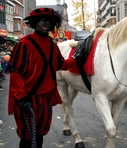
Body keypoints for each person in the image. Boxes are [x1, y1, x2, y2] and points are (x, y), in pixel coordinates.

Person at [7, 8, 76, 148]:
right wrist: (22, 98)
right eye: (42, 20)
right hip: (28, 98)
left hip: (45, 98)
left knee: (39, 134)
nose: (45, 23)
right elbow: (16, 74)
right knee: (27, 136)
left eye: (49, 21)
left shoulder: (52, 44)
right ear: (35, 22)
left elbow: (61, 64)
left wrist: (76, 60)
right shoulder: (24, 44)